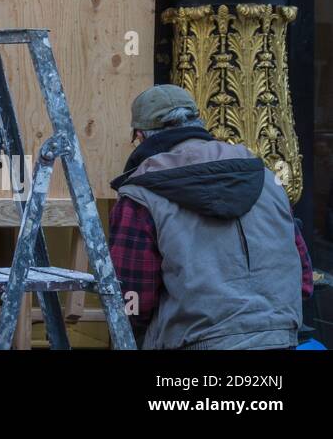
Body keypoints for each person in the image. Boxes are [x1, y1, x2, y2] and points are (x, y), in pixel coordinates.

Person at [108, 84, 313, 349]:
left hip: (191, 342)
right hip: (279, 338)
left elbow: (132, 298)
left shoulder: (140, 195)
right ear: (199, 122)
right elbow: (304, 279)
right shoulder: (266, 179)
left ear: (139, 135)